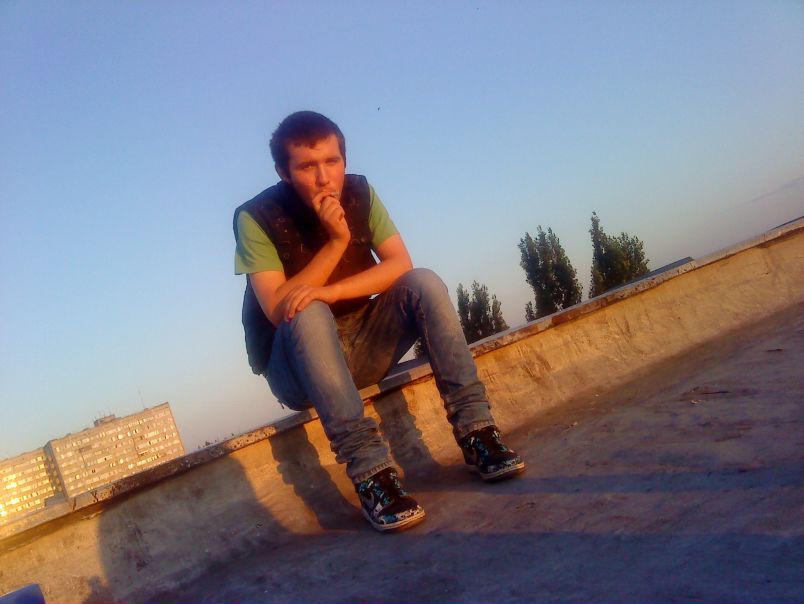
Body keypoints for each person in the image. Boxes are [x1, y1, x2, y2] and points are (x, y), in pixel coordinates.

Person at [233, 111, 524, 532]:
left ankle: (478, 433)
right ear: (283, 172)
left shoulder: (360, 193)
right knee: (305, 310)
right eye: (307, 166)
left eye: (332, 161)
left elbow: (399, 263)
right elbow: (279, 309)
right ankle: (373, 476)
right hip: (298, 368)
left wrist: (333, 291)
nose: (324, 178)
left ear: (344, 159)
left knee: (423, 282)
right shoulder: (255, 217)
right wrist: (336, 243)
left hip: (362, 345)